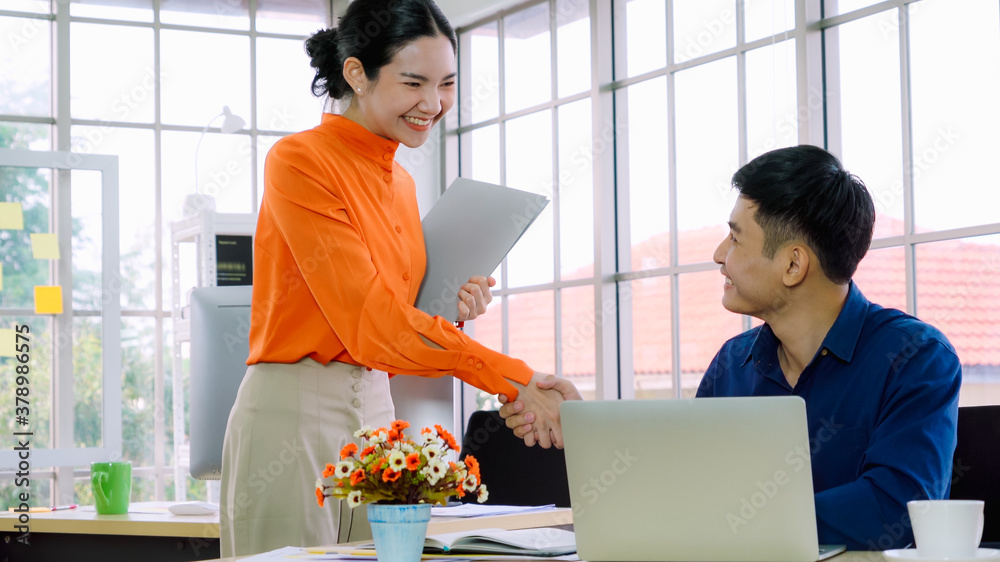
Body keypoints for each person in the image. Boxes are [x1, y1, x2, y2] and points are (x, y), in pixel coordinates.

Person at [220, 1, 564, 556]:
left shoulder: (401, 183)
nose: (433, 103)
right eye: (414, 82)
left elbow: (389, 320)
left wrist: (444, 310)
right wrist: (514, 378)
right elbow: (371, 325)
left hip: (380, 412)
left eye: (447, 83)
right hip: (294, 410)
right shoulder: (300, 160)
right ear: (357, 73)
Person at [499, 145, 961, 551]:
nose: (719, 254)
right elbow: (682, 489)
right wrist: (584, 430)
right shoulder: (732, 364)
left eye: (736, 237)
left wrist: (735, 519)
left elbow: (897, 508)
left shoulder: (916, 359)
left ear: (794, 264)